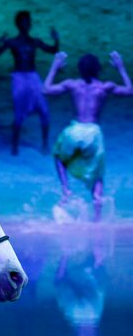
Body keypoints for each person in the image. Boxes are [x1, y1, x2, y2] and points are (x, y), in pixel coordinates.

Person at [43, 51, 132, 220]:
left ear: (80, 70)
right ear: (98, 69)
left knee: (58, 156)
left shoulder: (73, 85)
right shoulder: (104, 87)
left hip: (75, 130)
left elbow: (46, 89)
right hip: (93, 132)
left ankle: (66, 189)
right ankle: (97, 214)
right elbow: (129, 90)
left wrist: (55, 67)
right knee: (97, 173)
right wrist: (120, 68)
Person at [0, 10, 59, 155]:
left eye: (28, 21)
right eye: (24, 21)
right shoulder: (13, 42)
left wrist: (56, 39)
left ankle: (45, 144)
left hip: (33, 77)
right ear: (19, 24)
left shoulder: (35, 41)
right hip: (19, 78)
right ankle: (15, 146)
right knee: (19, 112)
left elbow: (53, 50)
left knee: (44, 110)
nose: (27, 24)